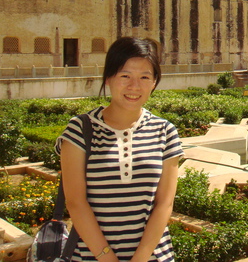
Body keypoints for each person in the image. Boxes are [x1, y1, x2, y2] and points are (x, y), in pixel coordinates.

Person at [56, 37, 183, 261]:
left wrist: (141, 257)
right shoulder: (80, 130)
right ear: (108, 78)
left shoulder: (164, 131)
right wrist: (107, 257)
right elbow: (75, 202)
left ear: (154, 82)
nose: (134, 86)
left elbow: (165, 203)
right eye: (125, 76)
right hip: (91, 256)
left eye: (145, 77)